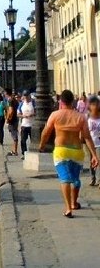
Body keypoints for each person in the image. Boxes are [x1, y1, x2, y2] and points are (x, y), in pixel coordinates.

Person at [40, 89, 99, 218]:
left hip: (61, 150)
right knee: (76, 179)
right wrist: (94, 155)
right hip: (76, 151)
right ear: (72, 101)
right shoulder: (80, 117)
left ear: (61, 101)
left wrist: (42, 145)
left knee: (64, 179)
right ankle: (74, 202)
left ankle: (68, 208)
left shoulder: (55, 115)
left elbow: (46, 132)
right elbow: (87, 137)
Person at [87, 96, 100, 187]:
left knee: (99, 162)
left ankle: (99, 180)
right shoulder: (87, 117)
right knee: (91, 162)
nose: (94, 106)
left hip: (99, 144)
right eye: (92, 105)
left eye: (96, 104)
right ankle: (93, 178)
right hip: (90, 143)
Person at [18, 91, 35, 159]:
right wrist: (23, 116)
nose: (26, 98)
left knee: (33, 140)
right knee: (23, 140)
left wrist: (32, 114)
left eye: (27, 96)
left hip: (32, 125)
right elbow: (18, 114)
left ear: (29, 96)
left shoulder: (33, 103)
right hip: (24, 124)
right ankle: (24, 153)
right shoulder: (22, 104)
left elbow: (38, 112)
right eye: (25, 97)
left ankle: (33, 152)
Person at [5, 90, 19, 156]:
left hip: (12, 120)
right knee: (14, 134)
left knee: (14, 136)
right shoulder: (15, 100)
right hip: (15, 119)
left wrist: (8, 119)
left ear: (7, 94)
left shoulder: (10, 100)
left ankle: (15, 151)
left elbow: (11, 111)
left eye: (5, 94)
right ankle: (14, 150)